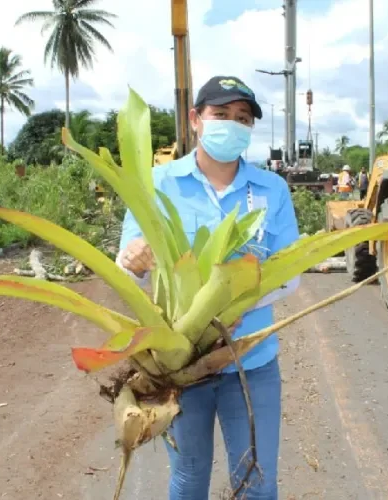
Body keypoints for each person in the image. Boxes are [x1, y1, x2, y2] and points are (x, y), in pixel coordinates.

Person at [116, 75, 301, 500]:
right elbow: (129, 269)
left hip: (248, 363)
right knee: (188, 479)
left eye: (242, 119)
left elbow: (289, 273)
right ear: (196, 119)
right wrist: (134, 261)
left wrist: (228, 308)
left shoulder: (271, 189)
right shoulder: (157, 184)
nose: (232, 125)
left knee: (257, 483)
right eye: (221, 115)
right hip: (181, 366)